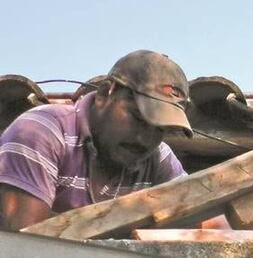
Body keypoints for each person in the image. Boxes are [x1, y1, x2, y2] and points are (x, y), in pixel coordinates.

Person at [0, 50, 193, 230]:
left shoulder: (158, 157)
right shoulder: (41, 131)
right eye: (138, 118)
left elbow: (202, 220)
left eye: (160, 129)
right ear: (103, 94)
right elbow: (29, 243)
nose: (145, 138)